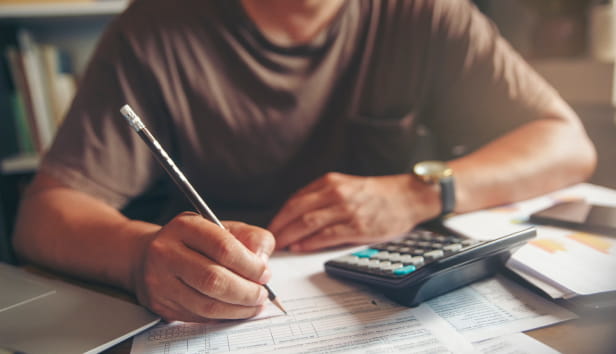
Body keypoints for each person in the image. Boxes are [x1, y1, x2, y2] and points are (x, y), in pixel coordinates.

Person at [13, 0, 596, 323]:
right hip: (208, 308)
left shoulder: (427, 13)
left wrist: (419, 192)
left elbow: (567, 144)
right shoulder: (155, 28)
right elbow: (43, 215)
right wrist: (139, 256)